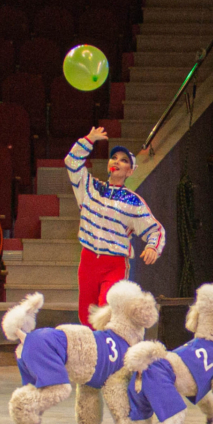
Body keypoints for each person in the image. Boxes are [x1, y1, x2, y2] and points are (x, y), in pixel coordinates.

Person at [66, 126, 165, 326]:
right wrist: (89, 140)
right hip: (88, 261)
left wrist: (153, 246)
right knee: (86, 318)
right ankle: (92, 355)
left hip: (114, 265)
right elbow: (72, 163)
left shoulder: (133, 202)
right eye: (114, 158)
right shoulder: (90, 188)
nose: (117, 162)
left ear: (131, 170)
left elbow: (155, 230)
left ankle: (108, 354)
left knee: (106, 313)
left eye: (123, 160)